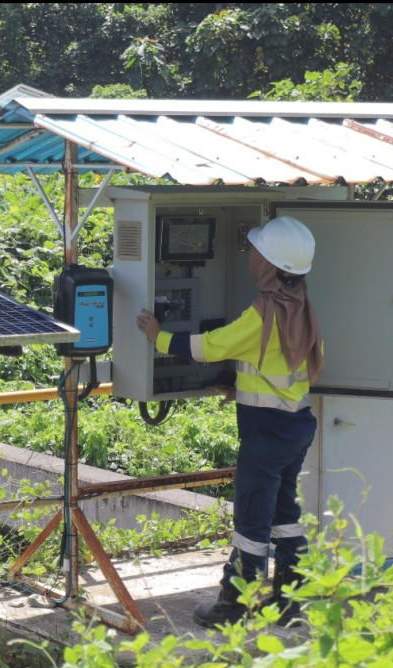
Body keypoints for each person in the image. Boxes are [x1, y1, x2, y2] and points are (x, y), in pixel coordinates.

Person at [135, 215, 324, 628]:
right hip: (295, 425)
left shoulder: (263, 313)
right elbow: (282, 368)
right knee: (283, 514)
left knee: (251, 520)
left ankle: (234, 605)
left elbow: (210, 346)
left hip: (266, 433)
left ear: (271, 266)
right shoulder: (302, 307)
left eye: (256, 253)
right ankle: (291, 600)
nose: (250, 258)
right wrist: (240, 389)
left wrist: (158, 336)